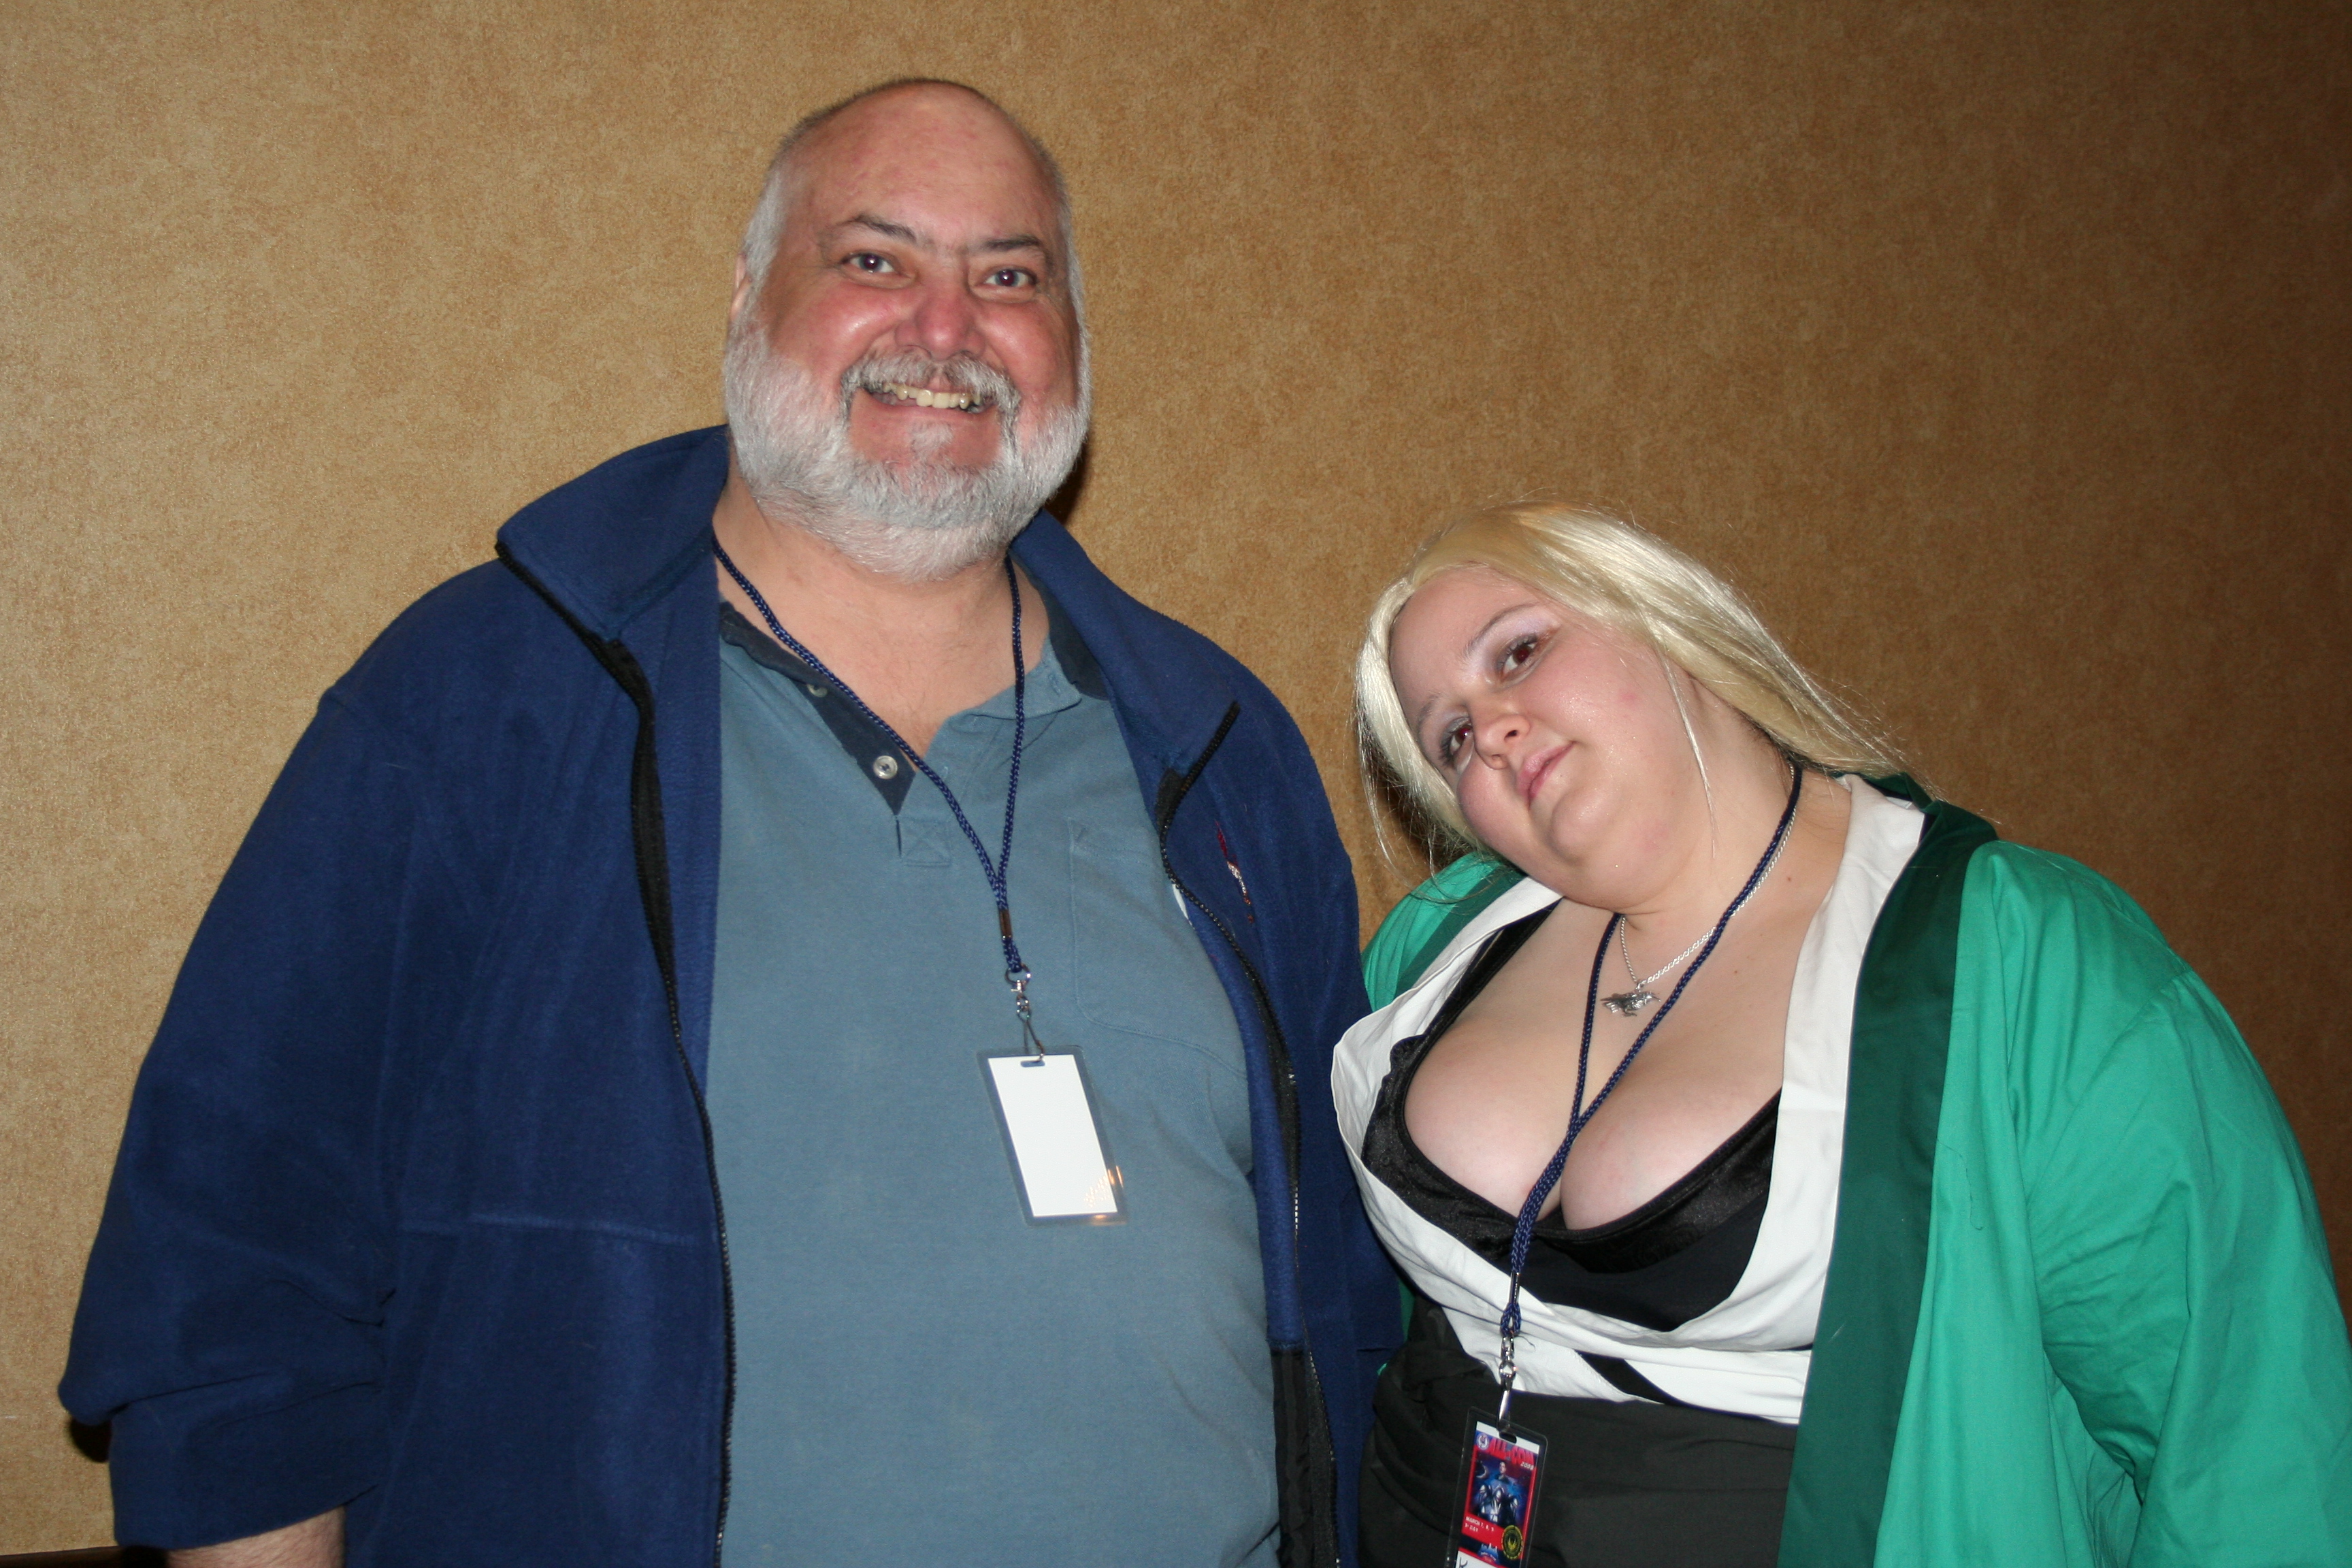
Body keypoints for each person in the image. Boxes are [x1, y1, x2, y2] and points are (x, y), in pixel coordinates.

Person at [62, 79, 1401, 1567]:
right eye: (875, 259)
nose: (946, 328)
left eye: (1010, 276)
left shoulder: (1220, 748)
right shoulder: (482, 701)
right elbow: (237, 1261)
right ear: (749, 297)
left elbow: (1356, 1289)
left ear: (1075, 341)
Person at [1337, 502, 2351, 1566]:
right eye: (1452, 737)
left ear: (1667, 619)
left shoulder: (2028, 964)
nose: (1492, 732)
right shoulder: (1432, 946)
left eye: (1519, 652)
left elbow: (2242, 1436)